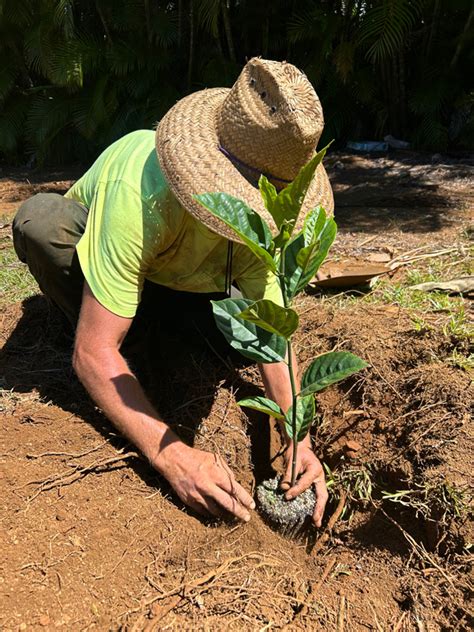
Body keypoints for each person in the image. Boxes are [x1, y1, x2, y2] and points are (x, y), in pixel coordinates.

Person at [12, 58, 334, 527]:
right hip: (100, 270)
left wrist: (296, 436)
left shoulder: (257, 221)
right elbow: (91, 353)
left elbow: (270, 333)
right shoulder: (140, 191)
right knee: (42, 221)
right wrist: (173, 458)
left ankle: (156, 335)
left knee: (236, 332)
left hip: (179, 291)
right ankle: (127, 334)